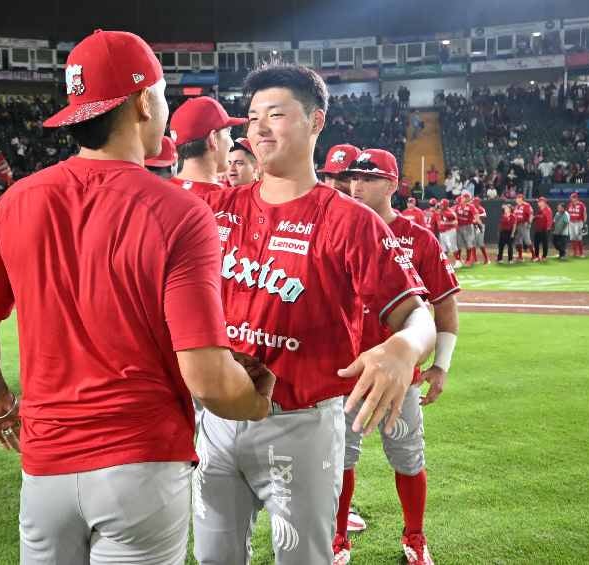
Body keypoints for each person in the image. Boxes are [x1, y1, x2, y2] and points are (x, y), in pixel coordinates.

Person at [0, 30, 273, 565]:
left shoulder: (16, 202)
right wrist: (259, 398)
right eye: (164, 94)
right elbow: (210, 382)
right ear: (144, 100)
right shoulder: (178, 212)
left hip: (45, 467)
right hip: (141, 463)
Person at [193, 64, 435, 565]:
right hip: (217, 419)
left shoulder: (351, 221)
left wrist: (402, 347)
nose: (258, 128)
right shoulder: (217, 210)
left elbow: (419, 316)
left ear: (315, 122)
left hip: (300, 424)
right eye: (252, 117)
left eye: (276, 114)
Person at [343, 148, 461, 565]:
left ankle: (414, 537)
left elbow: (445, 307)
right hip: (346, 372)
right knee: (340, 460)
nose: (356, 186)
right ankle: (338, 540)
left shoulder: (419, 238)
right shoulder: (339, 228)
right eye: (354, 178)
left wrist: (441, 366)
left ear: (393, 185)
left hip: (401, 376)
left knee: (409, 460)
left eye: (369, 179)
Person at [169, 96, 246, 197]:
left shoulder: (160, 194)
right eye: (228, 133)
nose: (231, 143)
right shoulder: (225, 200)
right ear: (213, 139)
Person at [454, 192, 478, 267]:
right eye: (462, 197)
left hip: (468, 226)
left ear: (467, 198)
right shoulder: (457, 206)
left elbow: (476, 214)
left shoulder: (471, 206)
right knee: (458, 244)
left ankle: (468, 260)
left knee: (468, 244)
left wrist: (476, 220)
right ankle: (459, 260)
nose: (462, 198)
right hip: (459, 227)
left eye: (464, 197)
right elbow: (452, 212)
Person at [437, 198, 461, 269]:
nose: (440, 206)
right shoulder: (440, 211)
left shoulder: (450, 212)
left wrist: (446, 223)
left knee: (453, 247)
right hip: (442, 232)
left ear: (445, 205)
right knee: (444, 249)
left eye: (442, 204)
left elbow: (455, 222)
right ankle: (445, 263)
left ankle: (458, 261)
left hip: (449, 231)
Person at [512, 193, 534, 262]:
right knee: (518, 241)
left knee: (527, 240)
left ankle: (534, 256)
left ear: (522, 199)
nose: (517, 199)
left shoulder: (526, 205)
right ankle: (520, 257)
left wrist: (529, 223)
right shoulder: (516, 207)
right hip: (517, 225)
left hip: (524, 224)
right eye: (517, 198)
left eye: (519, 198)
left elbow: (531, 214)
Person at [531, 197, 553, 262]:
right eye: (538, 202)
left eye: (539, 202)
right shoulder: (540, 209)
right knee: (536, 243)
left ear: (543, 202)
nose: (538, 203)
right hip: (538, 229)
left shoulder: (547, 209)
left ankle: (544, 256)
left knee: (544, 243)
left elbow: (549, 220)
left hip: (544, 229)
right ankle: (537, 256)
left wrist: (548, 228)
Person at [567, 191, 587, 257]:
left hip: (578, 222)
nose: (571, 199)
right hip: (571, 222)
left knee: (579, 237)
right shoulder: (570, 204)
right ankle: (575, 252)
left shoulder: (581, 205)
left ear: (576, 198)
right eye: (571, 198)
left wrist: (584, 223)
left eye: (572, 198)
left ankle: (581, 253)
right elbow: (568, 214)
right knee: (572, 237)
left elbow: (584, 214)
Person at [472, 196, 490, 264]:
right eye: (474, 202)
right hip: (473, 226)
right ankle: (475, 259)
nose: (474, 203)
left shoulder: (481, 208)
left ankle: (487, 259)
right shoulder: (472, 208)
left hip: (479, 226)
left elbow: (485, 215)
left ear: (479, 202)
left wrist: (477, 215)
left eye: (476, 202)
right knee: (473, 243)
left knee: (480, 243)